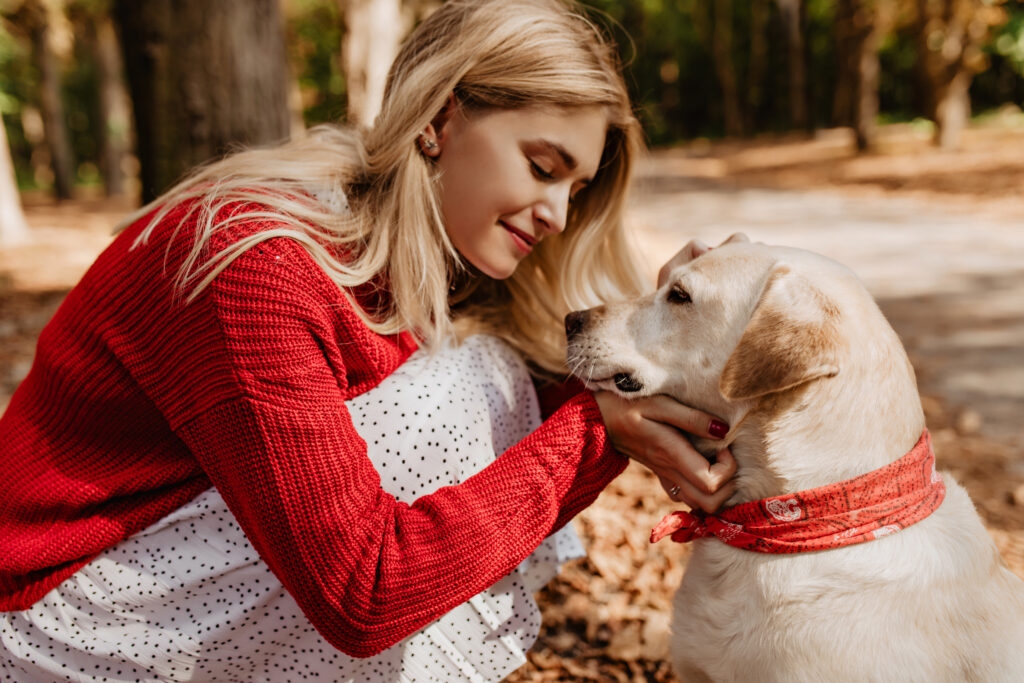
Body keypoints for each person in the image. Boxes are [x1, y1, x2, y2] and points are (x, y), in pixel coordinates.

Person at [0, 0, 736, 680]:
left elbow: (565, 408)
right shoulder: (259, 262)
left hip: (143, 585)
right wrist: (598, 431)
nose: (554, 214)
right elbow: (366, 593)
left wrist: (658, 340)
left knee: (499, 377)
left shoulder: (425, 253)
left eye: (574, 191)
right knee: (473, 392)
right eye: (542, 167)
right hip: (42, 615)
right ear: (441, 116)